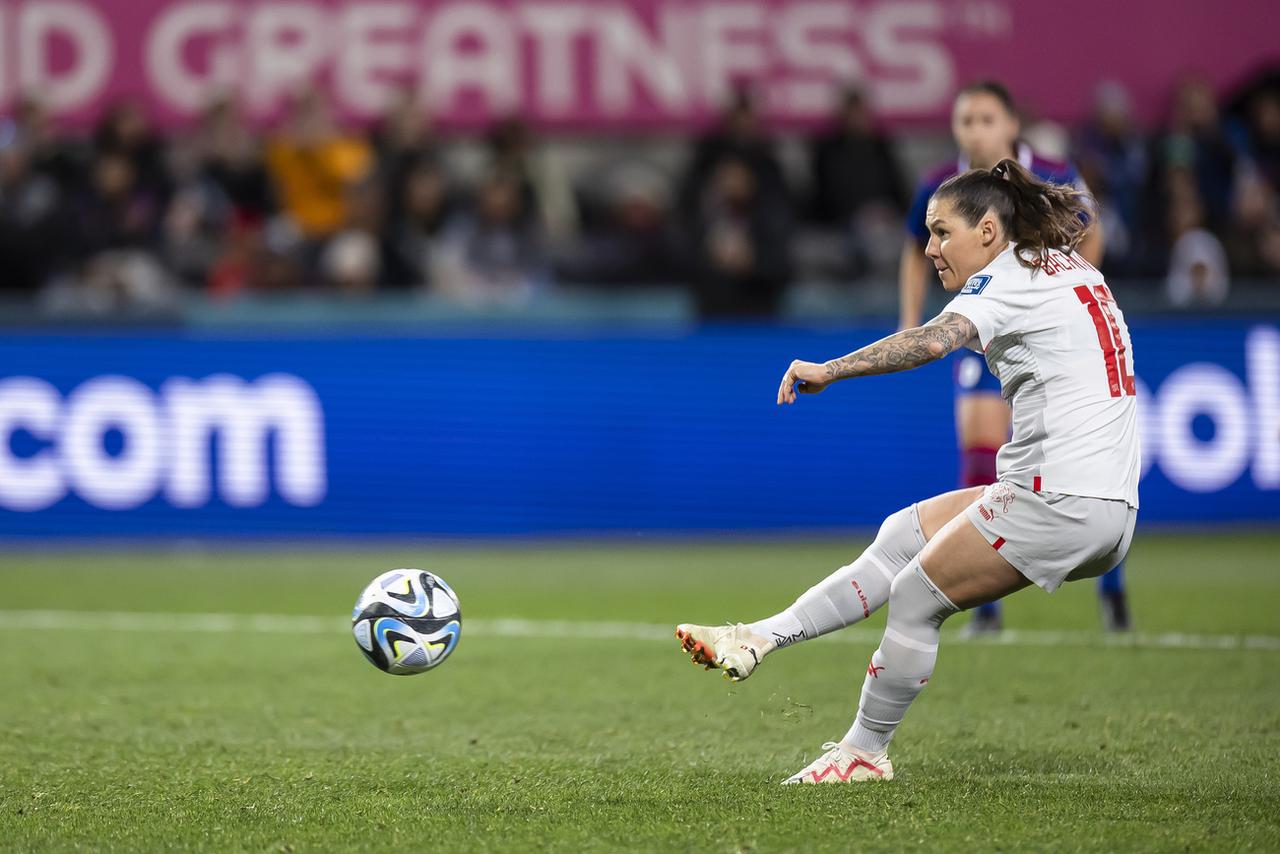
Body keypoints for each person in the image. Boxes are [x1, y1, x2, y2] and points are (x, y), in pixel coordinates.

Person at [676, 159, 1140, 783]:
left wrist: (829, 369)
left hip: (1061, 499)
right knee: (902, 535)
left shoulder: (1005, 279)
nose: (929, 249)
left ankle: (864, 753)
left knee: (917, 592)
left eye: (942, 232)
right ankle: (755, 638)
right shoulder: (1058, 265)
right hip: (1093, 501)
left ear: (988, 231)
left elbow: (929, 341)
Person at [898, 80, 1127, 633]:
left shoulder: (1049, 170)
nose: (974, 130)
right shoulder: (940, 184)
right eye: (965, 120)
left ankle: (1114, 592)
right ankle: (985, 603)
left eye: (985, 119)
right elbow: (913, 251)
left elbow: (1087, 227)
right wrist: (909, 322)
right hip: (985, 323)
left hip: (1049, 328)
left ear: (1010, 126)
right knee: (979, 441)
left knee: (1083, 460)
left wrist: (1085, 289)